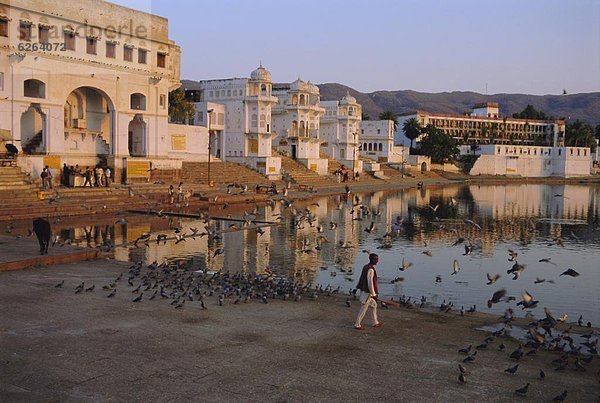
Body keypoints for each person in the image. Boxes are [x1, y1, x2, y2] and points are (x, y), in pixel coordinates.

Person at [354, 253, 382, 330]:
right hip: (367, 293)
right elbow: (370, 283)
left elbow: (361, 278)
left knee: (374, 305)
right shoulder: (370, 269)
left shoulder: (365, 267)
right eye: (376, 259)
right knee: (363, 308)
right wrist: (373, 294)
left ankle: (375, 322)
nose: (377, 261)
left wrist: (357, 287)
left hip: (365, 291)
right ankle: (357, 324)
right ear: (372, 260)